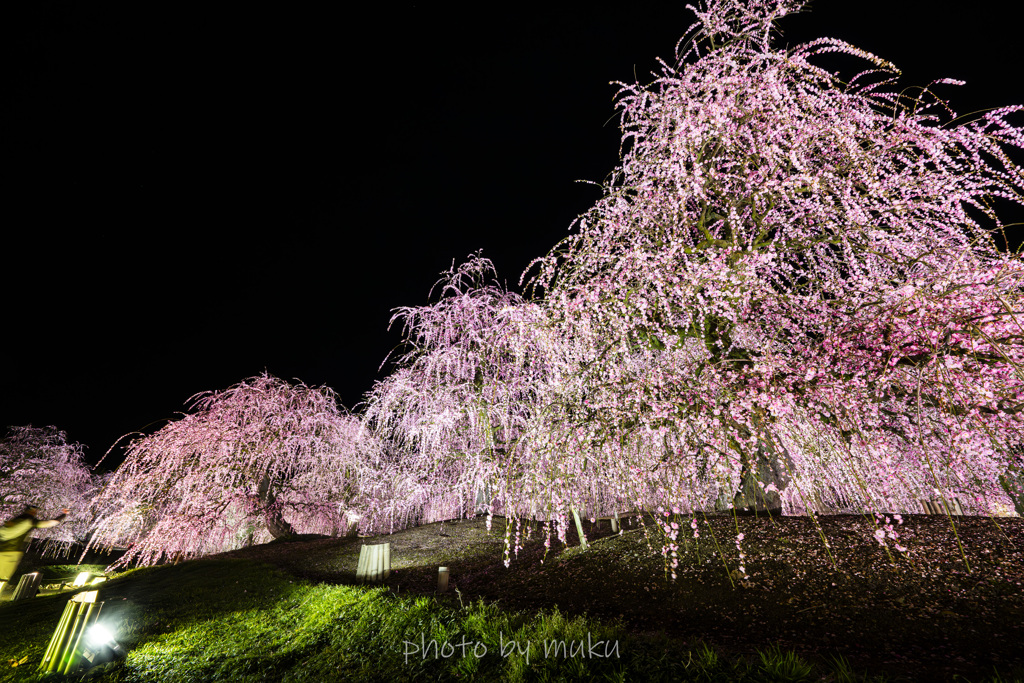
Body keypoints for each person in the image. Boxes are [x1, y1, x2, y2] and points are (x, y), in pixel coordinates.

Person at [0, 504, 69, 595]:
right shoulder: (30, 521)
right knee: (3, 577)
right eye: (35, 511)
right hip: (12, 552)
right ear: (32, 511)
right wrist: (63, 515)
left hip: (2, 549)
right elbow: (50, 523)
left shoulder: (15, 520)